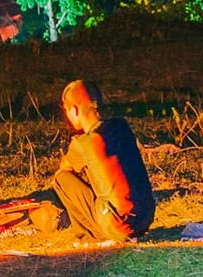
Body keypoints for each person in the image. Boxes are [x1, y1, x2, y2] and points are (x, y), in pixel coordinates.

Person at [47, 80, 155, 242]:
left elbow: (65, 167)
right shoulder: (122, 127)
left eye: (67, 111)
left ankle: (88, 235)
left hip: (118, 226)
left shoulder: (84, 143)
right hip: (145, 219)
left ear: (74, 110)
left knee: (61, 179)